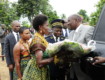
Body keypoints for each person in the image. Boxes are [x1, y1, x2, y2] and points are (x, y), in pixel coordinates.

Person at [22, 14, 53, 80]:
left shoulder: (41, 37)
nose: (49, 27)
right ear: (40, 27)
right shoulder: (37, 40)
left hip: (41, 69)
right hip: (37, 72)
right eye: (47, 25)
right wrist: (53, 58)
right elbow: (39, 62)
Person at [67, 14, 94, 80]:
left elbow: (92, 47)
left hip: (83, 68)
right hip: (72, 70)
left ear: (76, 20)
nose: (67, 23)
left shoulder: (88, 29)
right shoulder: (71, 33)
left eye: (69, 21)